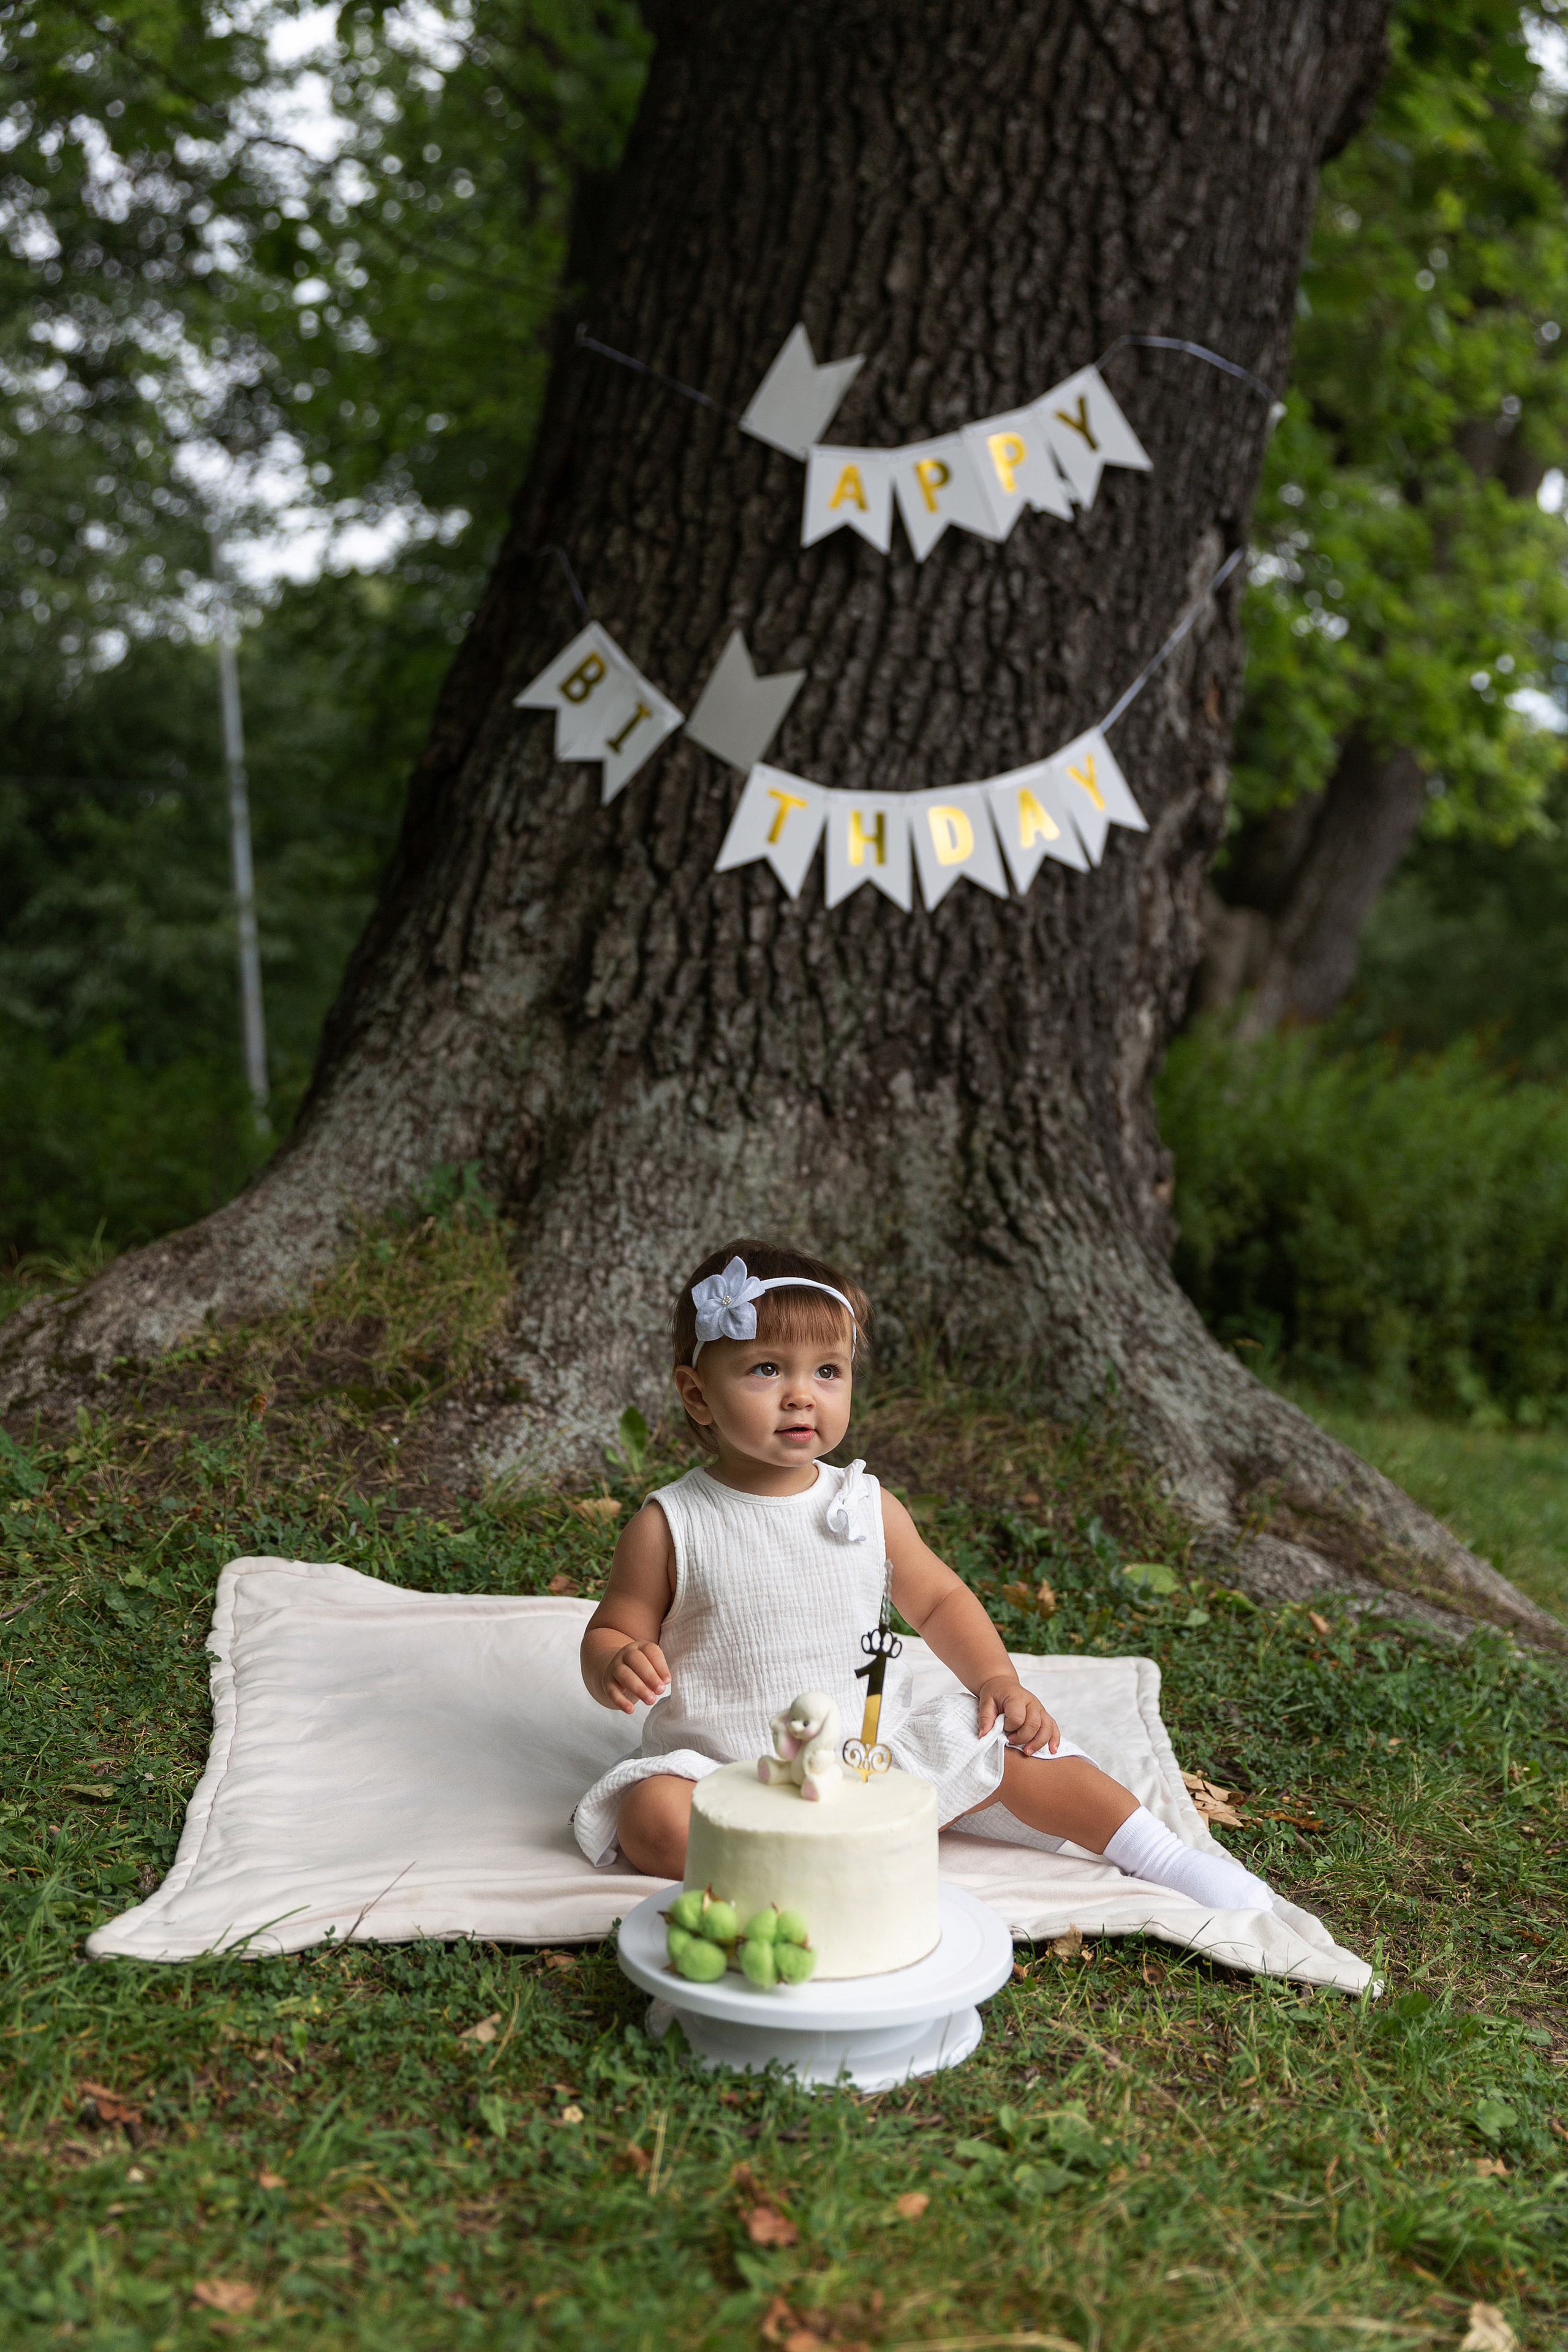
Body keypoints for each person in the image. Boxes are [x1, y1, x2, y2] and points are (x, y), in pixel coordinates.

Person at [573, 1240, 1274, 1916]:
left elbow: (938, 1600)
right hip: (724, 1770)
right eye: (765, 1370)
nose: (800, 1396)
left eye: (827, 1372)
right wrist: (616, 1661)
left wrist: (996, 1679)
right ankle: (802, 1872)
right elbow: (613, 1626)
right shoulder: (673, 1522)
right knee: (651, 1818)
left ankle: (1162, 1855)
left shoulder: (863, 1505)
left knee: (1020, 1749)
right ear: (697, 1395)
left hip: (865, 1754)